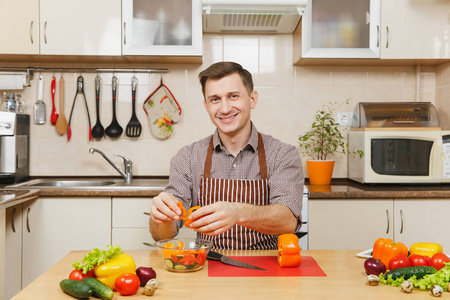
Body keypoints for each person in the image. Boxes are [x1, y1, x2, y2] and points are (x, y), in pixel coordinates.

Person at [149, 61, 304, 250]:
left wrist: (237, 212)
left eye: (233, 96)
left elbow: (288, 220)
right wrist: (161, 217)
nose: (224, 109)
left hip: (266, 267)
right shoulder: (188, 157)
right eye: (215, 99)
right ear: (206, 106)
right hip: (207, 266)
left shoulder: (282, 154)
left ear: (252, 99)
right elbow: (163, 234)